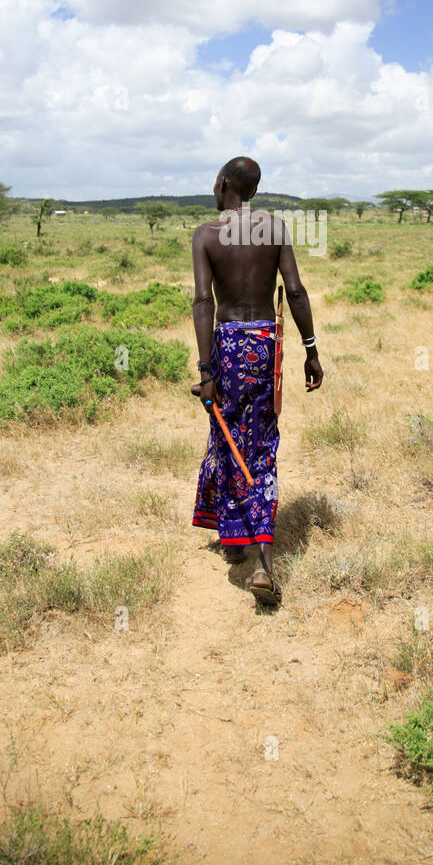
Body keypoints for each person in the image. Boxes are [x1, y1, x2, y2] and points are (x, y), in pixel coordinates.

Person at [190, 156, 323, 604]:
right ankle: (237, 540)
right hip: (267, 344)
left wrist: (207, 372)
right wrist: (311, 350)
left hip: (227, 347)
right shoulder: (275, 229)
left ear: (224, 183)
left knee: (229, 439)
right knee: (260, 444)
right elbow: (297, 291)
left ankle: (260, 561)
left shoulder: (206, 235)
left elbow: (202, 302)